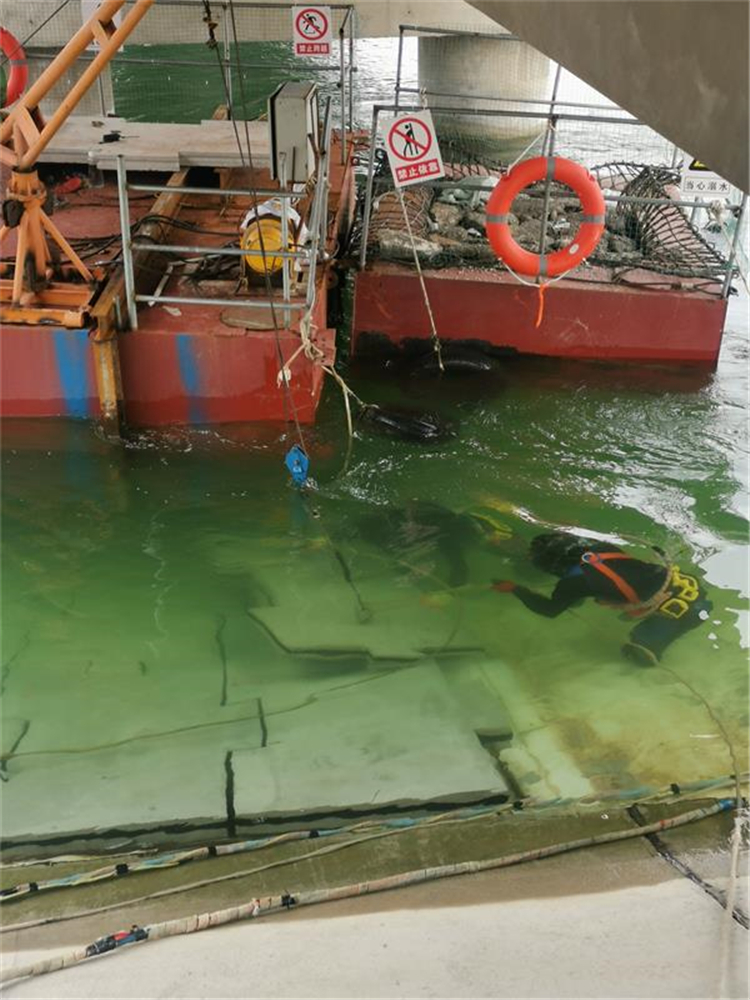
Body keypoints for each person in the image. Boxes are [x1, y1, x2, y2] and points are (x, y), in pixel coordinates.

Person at [491, 531, 711, 666]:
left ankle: (652, 643)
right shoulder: (603, 548)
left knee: (638, 653)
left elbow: (549, 610)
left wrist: (515, 589)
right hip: (689, 587)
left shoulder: (572, 584)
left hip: (686, 611)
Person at [357, 499, 512, 589]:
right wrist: (450, 593)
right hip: (397, 528)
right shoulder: (449, 537)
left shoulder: (448, 523)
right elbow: (460, 567)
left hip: (401, 518)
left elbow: (461, 566)